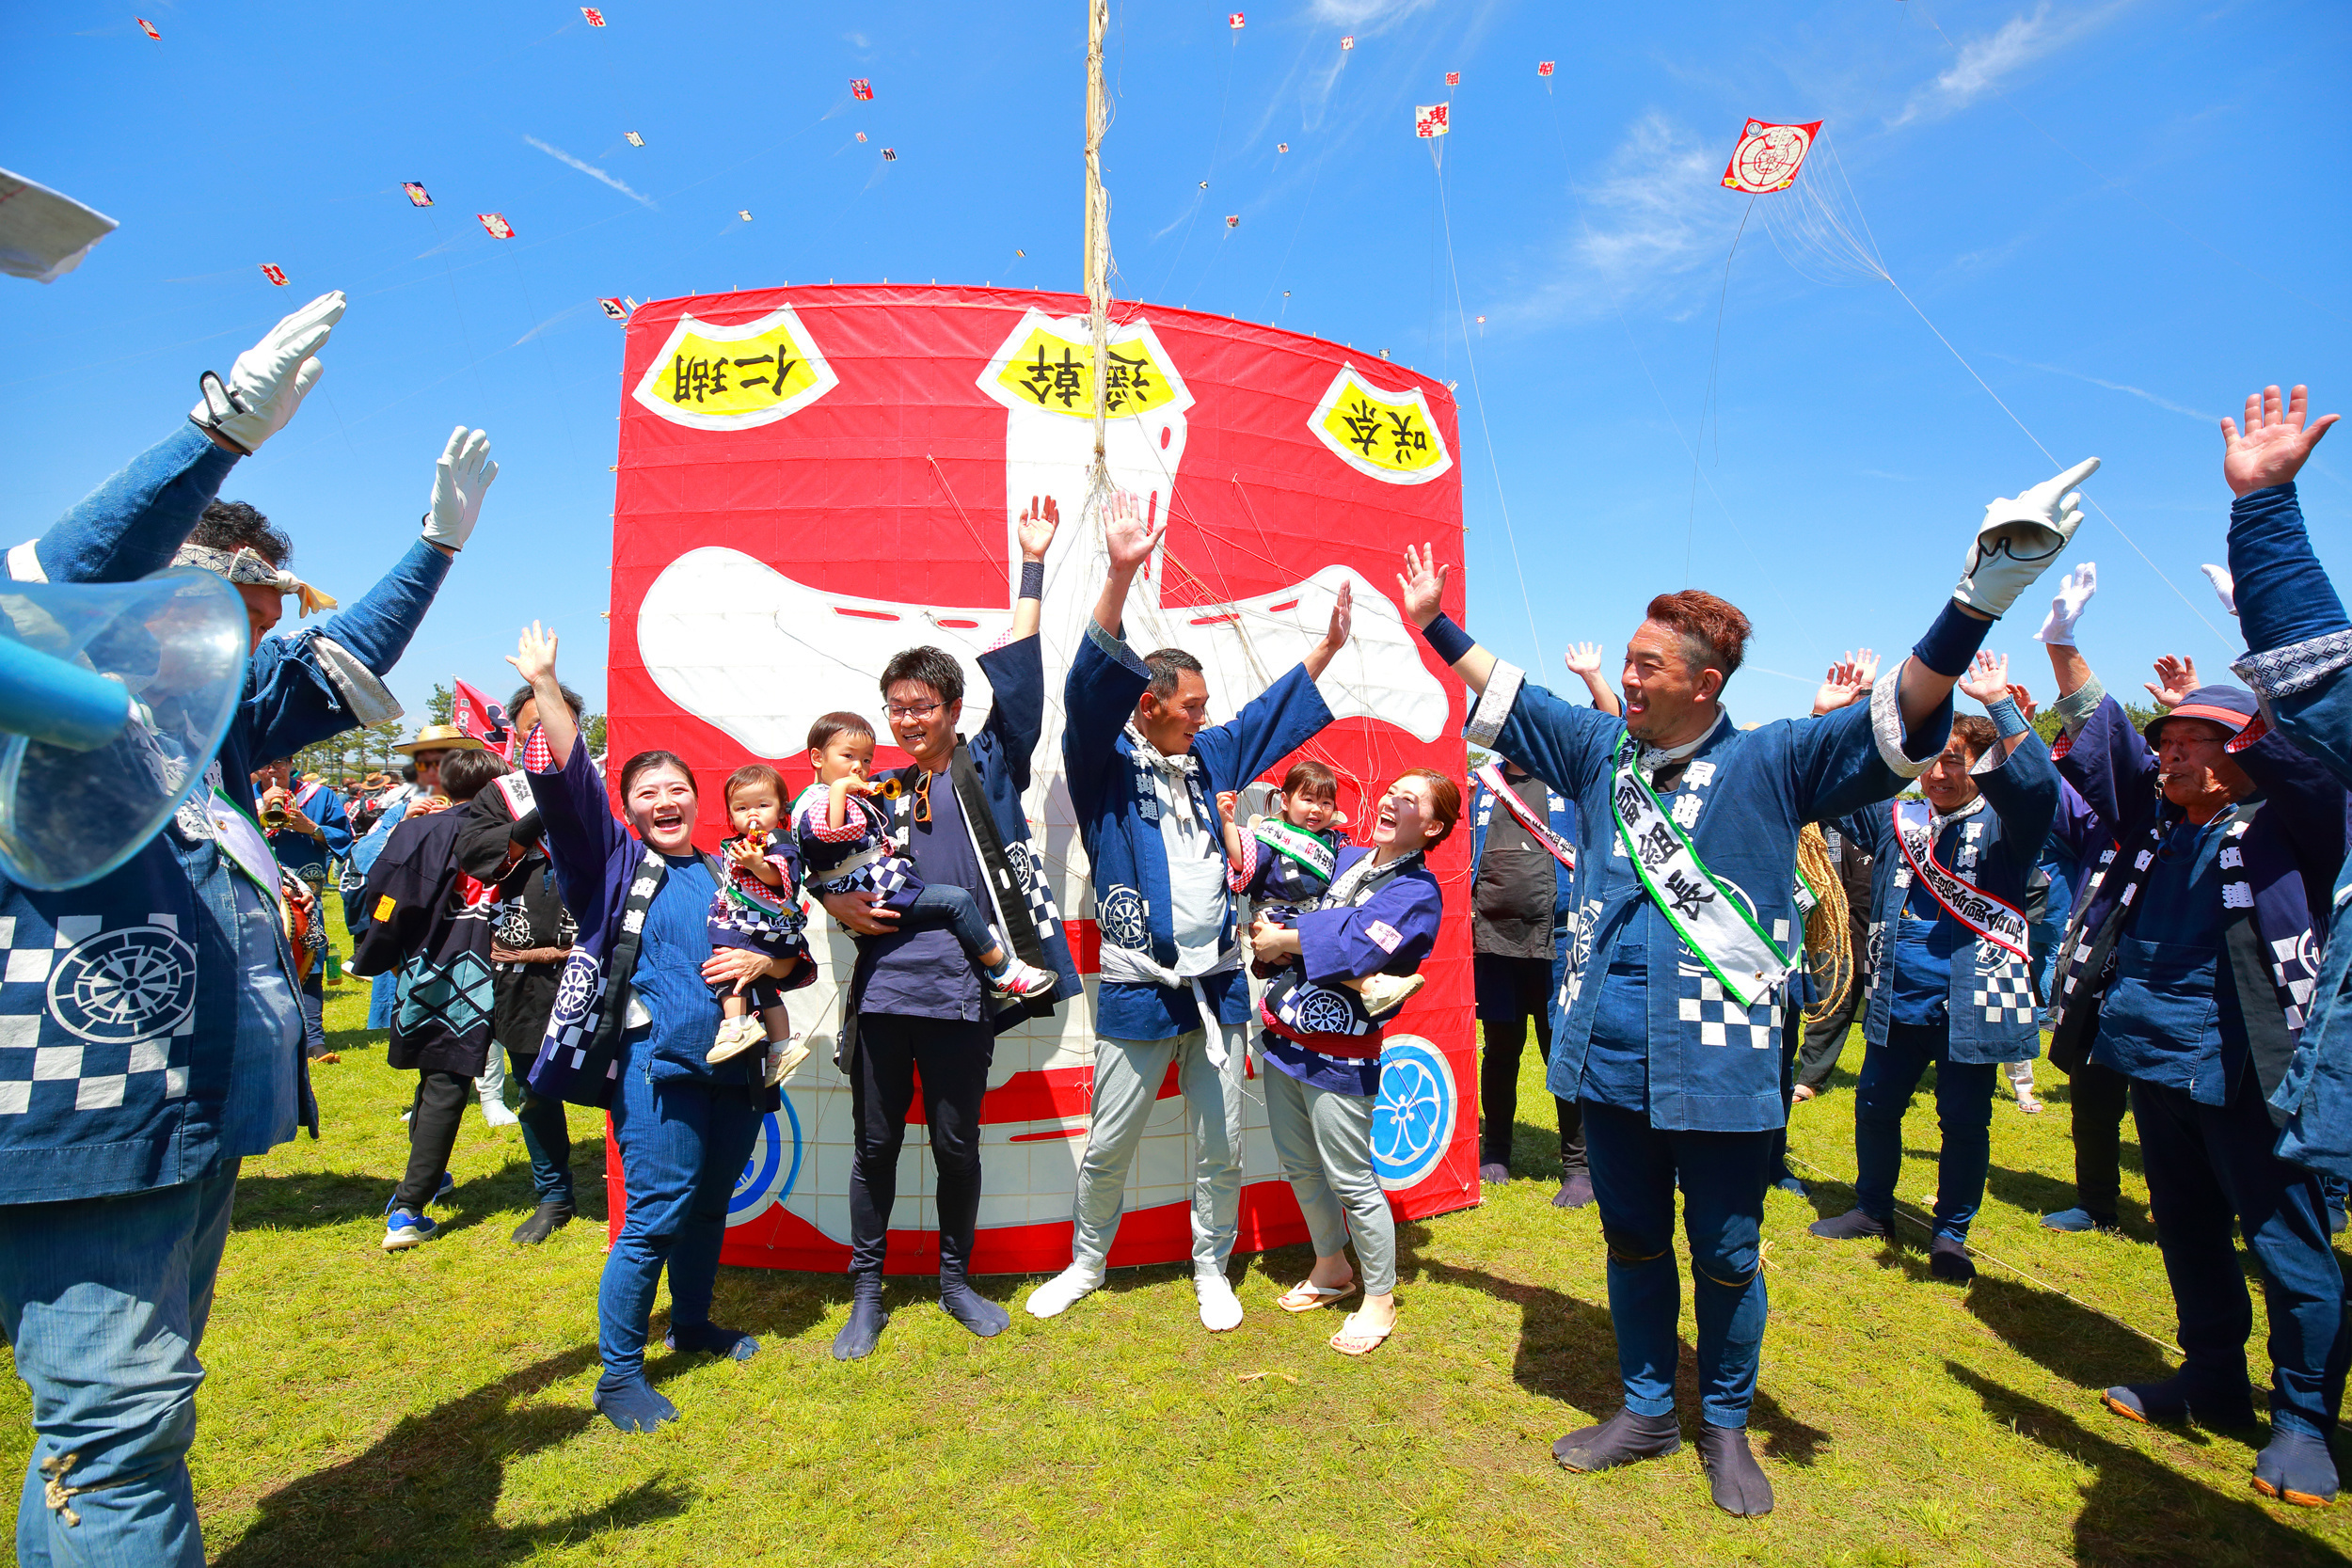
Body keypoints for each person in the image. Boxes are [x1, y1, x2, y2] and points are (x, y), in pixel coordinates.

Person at [1392, 449, 2093, 1516]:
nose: (1625, 678)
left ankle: (1724, 1423)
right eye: (1624, 661)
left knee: (1724, 1252)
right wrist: (1435, 620)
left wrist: (1980, 592)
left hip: (1722, 1069)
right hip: (1607, 1055)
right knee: (1629, 1239)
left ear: (1703, 683)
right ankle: (1644, 1406)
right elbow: (1510, 692)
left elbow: (1900, 711)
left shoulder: (1776, 760)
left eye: (1644, 665)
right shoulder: (1595, 750)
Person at [0, 291, 498, 1566]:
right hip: (81, 1114)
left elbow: (340, 664)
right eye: (242, 602)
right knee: (115, 1429)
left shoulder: (193, 719)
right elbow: (49, 585)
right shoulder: (45, 691)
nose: (261, 632)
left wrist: (434, 549)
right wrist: (212, 435)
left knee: (98, 1434)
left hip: (177, 1113)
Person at [2039, 527, 2350, 1506]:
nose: (2168, 755)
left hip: (2254, 1071)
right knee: (2183, 1230)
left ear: (2244, 757)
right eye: (2165, 741)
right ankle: (2211, 1374)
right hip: (2155, 1060)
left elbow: (2305, 743)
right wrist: (2062, 650)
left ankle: (2302, 1415)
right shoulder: (2157, 826)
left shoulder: (2294, 819)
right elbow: (2103, 742)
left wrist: (2253, 631)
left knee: (2287, 1247)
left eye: (2193, 743)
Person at [1026, 491, 1354, 1334]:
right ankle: (1086, 1261)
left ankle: (1212, 1264)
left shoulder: (1207, 758)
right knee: (1110, 1141)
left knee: (1222, 1144)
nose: (1206, 714)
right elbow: (1088, 690)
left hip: (1218, 985)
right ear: (1150, 705)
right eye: (1192, 703)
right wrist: (1120, 573)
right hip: (1140, 985)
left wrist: (1322, 652)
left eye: (1206, 705)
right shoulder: (1103, 762)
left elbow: (1264, 720)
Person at [508, 622, 813, 1431]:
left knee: (710, 1205)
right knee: (654, 1216)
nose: (663, 799)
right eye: (645, 792)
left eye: (675, 787)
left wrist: (766, 969)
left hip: (735, 1069)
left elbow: (791, 949)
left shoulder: (726, 866)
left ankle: (693, 1322)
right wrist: (546, 687)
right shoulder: (608, 863)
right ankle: (617, 1376)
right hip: (656, 1068)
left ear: (694, 796)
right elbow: (571, 787)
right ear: (629, 810)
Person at [815, 503, 1080, 1362]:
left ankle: (956, 1279)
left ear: (951, 707)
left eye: (920, 706)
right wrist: (830, 897)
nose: (905, 721)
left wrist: (1030, 566)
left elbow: (1026, 683)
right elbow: (816, 853)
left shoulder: (991, 758)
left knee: (959, 1145)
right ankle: (866, 1292)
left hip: (966, 990)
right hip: (887, 991)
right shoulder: (881, 790)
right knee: (875, 1146)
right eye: (894, 708)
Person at [1806, 653, 2062, 1282]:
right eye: (1934, 759)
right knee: (1874, 1106)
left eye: (1956, 758)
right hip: (1899, 996)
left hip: (1972, 1007)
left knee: (1965, 1122)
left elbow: (2038, 789)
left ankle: (1951, 1233)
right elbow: (1832, 792)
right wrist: (1828, 718)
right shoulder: (1901, 819)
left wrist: (2003, 708)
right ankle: (1872, 1206)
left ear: (1981, 764)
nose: (1941, 772)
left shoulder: (2009, 827)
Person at [1252, 768, 1455, 1355]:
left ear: (1433, 826)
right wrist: (1282, 927)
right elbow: (1291, 902)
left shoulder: (1418, 893)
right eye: (1393, 791)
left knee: (1352, 1179)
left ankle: (1381, 1298)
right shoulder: (1347, 859)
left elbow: (1357, 946)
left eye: (1409, 799)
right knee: (1299, 1163)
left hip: (1342, 1052)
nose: (1391, 799)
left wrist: (1289, 938)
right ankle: (1331, 1266)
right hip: (1286, 1033)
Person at [351, 748, 516, 1248]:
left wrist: (381, 951)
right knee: (451, 1076)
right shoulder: (512, 834)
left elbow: (381, 894)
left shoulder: (420, 828)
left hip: (428, 963)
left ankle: (420, 1186)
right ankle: (408, 1206)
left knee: (437, 1071)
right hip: (495, 961)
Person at [793, 712, 1057, 1006]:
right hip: (873, 891)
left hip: (871, 893)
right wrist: (842, 790)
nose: (859, 767)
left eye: (867, 759)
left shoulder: (830, 796)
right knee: (956, 901)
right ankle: (1002, 969)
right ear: (817, 757)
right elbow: (831, 835)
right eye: (848, 756)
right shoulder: (819, 800)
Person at [453, 700, 588, 1245]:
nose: (545, 733)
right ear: (517, 732)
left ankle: (639, 1184)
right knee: (535, 1083)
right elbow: (474, 852)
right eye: (533, 724)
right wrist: (535, 819)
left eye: (555, 722)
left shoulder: (606, 779)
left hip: (601, 953)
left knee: (629, 1074)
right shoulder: (500, 792)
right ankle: (554, 1193)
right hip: (526, 965)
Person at [1468, 753, 1586, 1203]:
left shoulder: (1568, 777)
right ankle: (1496, 1148)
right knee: (1500, 1050)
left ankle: (1579, 1166)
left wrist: (1595, 679)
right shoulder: (1481, 784)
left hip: (1557, 937)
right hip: (1494, 940)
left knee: (1560, 1049)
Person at [1218, 758, 1421, 1017]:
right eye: (1308, 800)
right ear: (1285, 801)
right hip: (1279, 918)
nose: (1317, 809)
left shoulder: (1334, 841)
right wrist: (1227, 821)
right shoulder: (1270, 836)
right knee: (1319, 946)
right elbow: (1241, 860)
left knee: (1329, 942)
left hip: (1316, 916)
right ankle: (1371, 987)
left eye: (1325, 803)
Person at [704, 762, 811, 1078]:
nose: (753, 814)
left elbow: (782, 878)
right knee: (765, 990)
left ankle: (735, 1027)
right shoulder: (739, 845)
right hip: (761, 930)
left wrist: (757, 865)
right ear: (730, 815)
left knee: (727, 972)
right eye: (742, 807)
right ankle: (782, 1046)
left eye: (763, 805)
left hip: (759, 927)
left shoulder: (777, 841)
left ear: (781, 810)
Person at [253, 755, 353, 1063]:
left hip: (304, 898)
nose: (273, 769)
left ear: (292, 763)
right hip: (253, 890)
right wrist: (258, 811)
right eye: (265, 762)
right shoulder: (241, 793)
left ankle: (314, 1040)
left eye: (279, 761)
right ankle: (262, 1036)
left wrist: (312, 828)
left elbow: (345, 838)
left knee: (310, 962)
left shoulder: (319, 796)